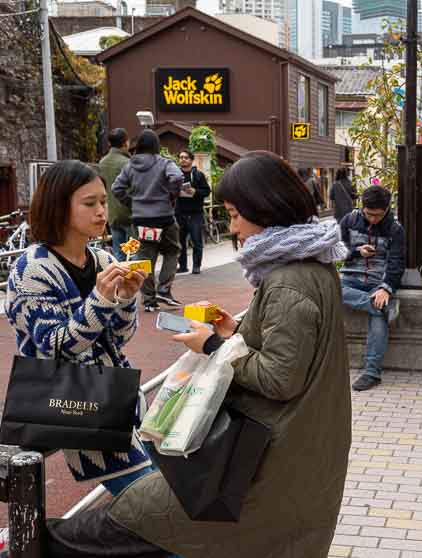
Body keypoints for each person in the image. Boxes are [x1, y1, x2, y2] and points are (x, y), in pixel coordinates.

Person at [45, 151, 353, 557]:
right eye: (91, 203)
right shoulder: (313, 262)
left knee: (114, 525)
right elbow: (294, 348)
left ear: (265, 207)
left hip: (261, 459)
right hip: (296, 453)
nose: (234, 226)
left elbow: (281, 376)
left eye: (235, 213)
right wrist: (236, 331)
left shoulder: (287, 279)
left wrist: (212, 344)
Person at [5, 160, 153, 497]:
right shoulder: (32, 269)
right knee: (151, 503)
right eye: (90, 203)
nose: (102, 212)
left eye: (103, 201)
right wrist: (101, 298)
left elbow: (117, 339)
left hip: (115, 397)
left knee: (161, 498)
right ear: (59, 207)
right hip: (76, 406)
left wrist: (127, 301)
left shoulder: (101, 260)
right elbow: (57, 345)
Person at [339, 185, 406, 391]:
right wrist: (357, 252)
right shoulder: (349, 221)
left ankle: (372, 373)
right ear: (362, 207)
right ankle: (379, 306)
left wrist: (386, 288)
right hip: (350, 278)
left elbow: (397, 263)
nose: (373, 220)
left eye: (378, 215)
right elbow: (337, 251)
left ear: (386, 209)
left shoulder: (395, 229)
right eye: (369, 215)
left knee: (378, 313)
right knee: (330, 287)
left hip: (378, 281)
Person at [112, 129, 184, 311]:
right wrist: (171, 196)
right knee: (172, 250)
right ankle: (164, 289)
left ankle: (149, 300)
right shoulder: (164, 163)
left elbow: (116, 188)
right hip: (164, 218)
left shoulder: (129, 166)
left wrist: (132, 202)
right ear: (156, 146)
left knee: (145, 258)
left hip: (141, 219)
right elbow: (177, 177)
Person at [175, 149, 211, 275]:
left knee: (197, 241)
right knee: (180, 241)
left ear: (191, 160)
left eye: (185, 157)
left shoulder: (198, 175)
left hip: (195, 213)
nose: (182, 159)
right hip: (179, 212)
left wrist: (195, 192)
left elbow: (207, 191)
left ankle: (196, 266)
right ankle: (182, 265)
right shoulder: (175, 174)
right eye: (180, 157)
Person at [98, 128, 132, 261]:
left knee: (118, 253)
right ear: (125, 143)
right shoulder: (127, 163)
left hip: (111, 213)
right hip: (129, 214)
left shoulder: (102, 162)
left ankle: (120, 280)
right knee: (132, 252)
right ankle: (133, 280)